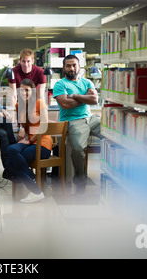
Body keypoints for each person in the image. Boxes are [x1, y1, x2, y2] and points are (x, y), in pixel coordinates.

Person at [52, 54, 101, 194]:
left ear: (79, 66)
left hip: (91, 119)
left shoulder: (86, 82)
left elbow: (95, 100)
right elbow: (65, 104)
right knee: (78, 149)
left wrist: (74, 95)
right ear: (63, 68)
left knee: (113, 132)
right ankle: (80, 180)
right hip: (73, 121)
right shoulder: (60, 84)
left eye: (74, 65)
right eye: (68, 65)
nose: (72, 68)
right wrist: (86, 97)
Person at [6, 79, 51, 203]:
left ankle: (35, 191)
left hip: (42, 144)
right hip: (28, 142)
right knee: (11, 150)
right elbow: (19, 124)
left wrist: (30, 140)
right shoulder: (18, 105)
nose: (24, 93)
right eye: (22, 90)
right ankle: (33, 180)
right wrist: (21, 128)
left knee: (11, 163)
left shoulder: (39, 103)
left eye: (27, 90)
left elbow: (44, 125)